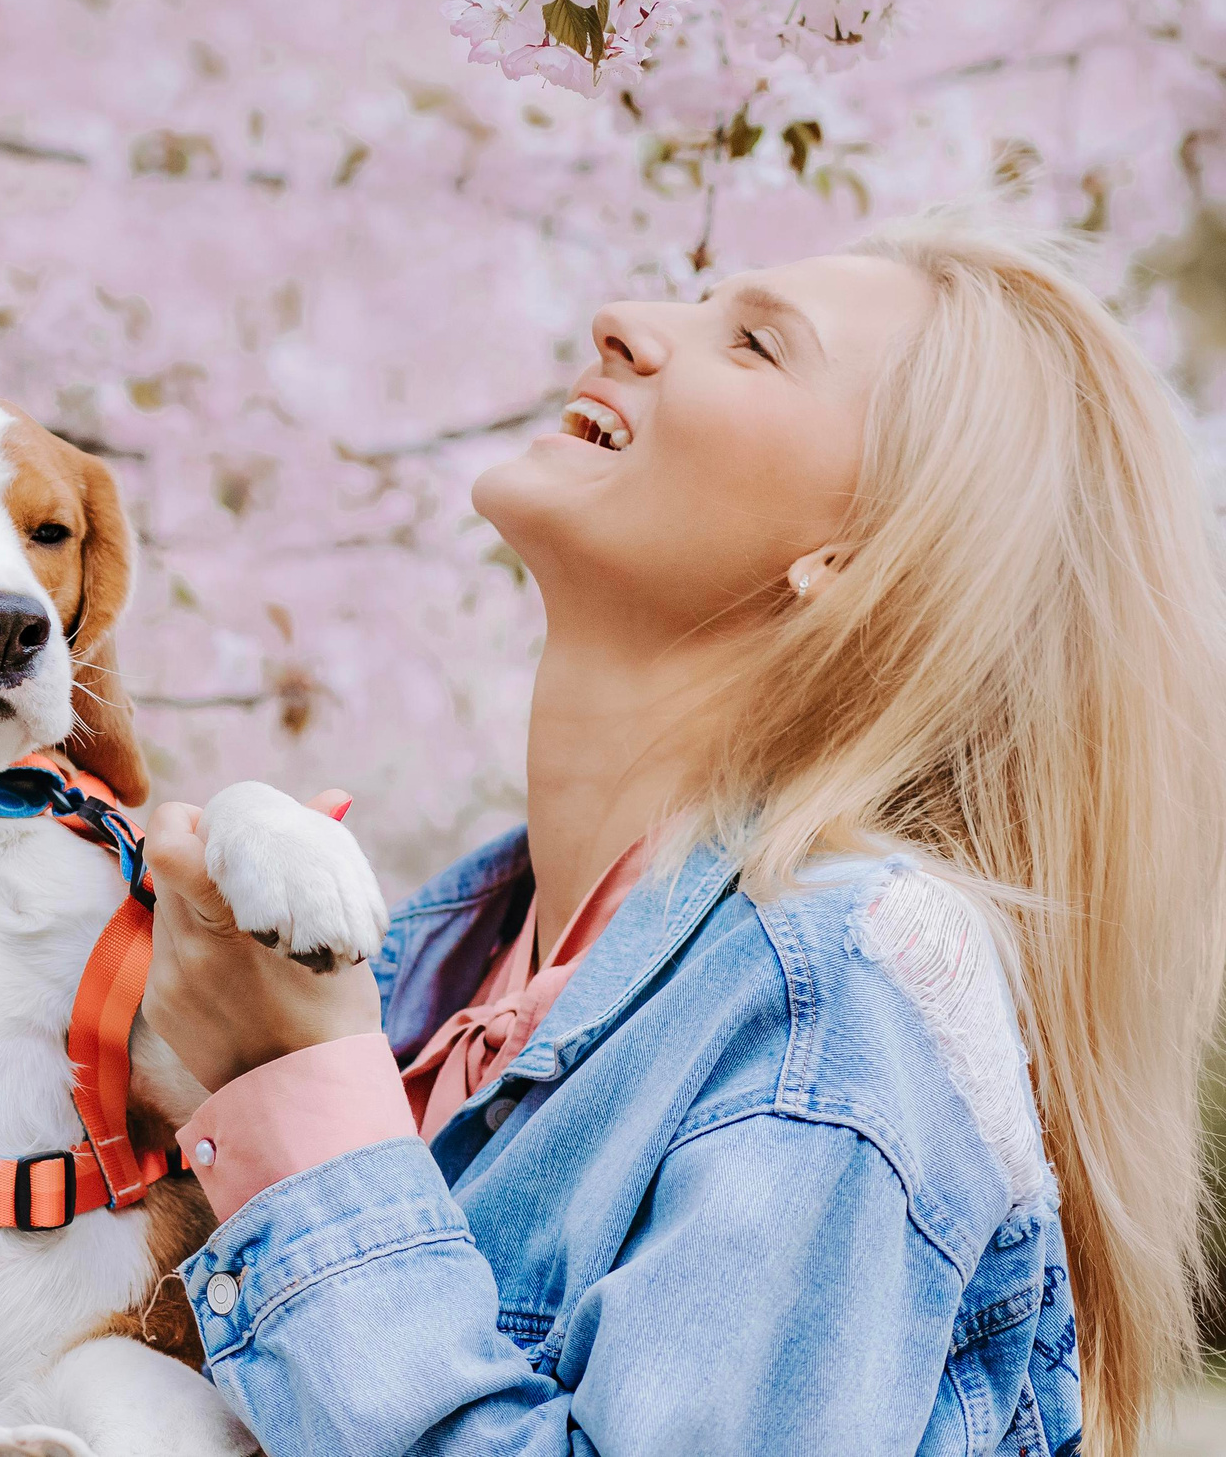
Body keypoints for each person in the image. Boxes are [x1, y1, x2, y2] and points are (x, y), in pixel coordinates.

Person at [139, 223, 1226, 1456]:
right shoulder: (445, 962)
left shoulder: (840, 996)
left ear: (855, 556)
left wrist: (299, 1112)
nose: (621, 320)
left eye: (753, 342)